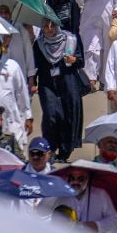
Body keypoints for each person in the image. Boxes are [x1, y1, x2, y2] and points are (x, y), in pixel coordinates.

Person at [33, 18, 86, 162]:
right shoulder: (39, 44)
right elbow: (35, 66)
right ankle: (49, 150)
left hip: (68, 82)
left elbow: (82, 61)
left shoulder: (71, 39)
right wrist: (32, 81)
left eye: (52, 26)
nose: (49, 29)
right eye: (45, 26)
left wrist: (73, 60)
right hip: (47, 84)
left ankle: (64, 151)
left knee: (67, 116)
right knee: (51, 115)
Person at [56, 165, 117, 233]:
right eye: (71, 178)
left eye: (81, 179)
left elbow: (114, 219)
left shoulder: (100, 194)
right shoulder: (60, 195)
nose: (75, 182)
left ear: (88, 179)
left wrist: (97, 225)